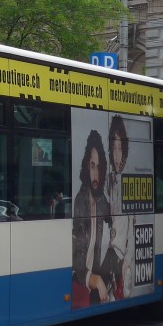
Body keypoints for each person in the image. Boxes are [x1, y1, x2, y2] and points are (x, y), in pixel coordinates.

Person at [72, 129, 113, 306]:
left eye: (99, 167)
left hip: (95, 283)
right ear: (86, 167)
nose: (95, 174)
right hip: (81, 282)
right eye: (92, 166)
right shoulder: (80, 201)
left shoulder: (103, 202)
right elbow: (77, 260)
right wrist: (95, 280)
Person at [104, 115, 133, 299]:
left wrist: (127, 261)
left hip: (121, 257)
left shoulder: (128, 184)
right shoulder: (108, 182)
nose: (116, 154)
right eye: (113, 147)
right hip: (109, 254)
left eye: (120, 148)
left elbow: (131, 233)